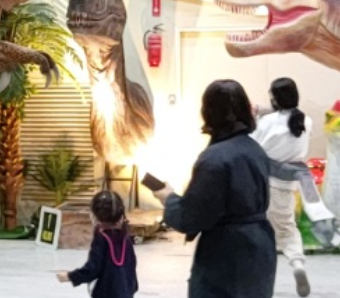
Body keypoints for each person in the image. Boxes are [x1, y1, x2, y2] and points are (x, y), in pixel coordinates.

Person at [153, 79, 276, 298]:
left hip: (226, 253)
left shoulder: (214, 159)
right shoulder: (255, 149)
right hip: (260, 247)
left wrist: (168, 198)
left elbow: (192, 217)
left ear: (208, 112)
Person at [251, 78, 313, 297]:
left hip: (262, 181)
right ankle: (297, 263)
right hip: (287, 183)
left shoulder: (266, 122)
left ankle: (257, 276)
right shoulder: (306, 121)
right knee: (287, 228)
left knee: (257, 228)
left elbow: (251, 144)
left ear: (274, 98)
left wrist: (256, 115)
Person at [56, 191, 138, 298]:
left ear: (95, 216)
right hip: (126, 293)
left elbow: (92, 269)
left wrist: (70, 276)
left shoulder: (101, 238)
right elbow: (131, 267)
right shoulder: (125, 237)